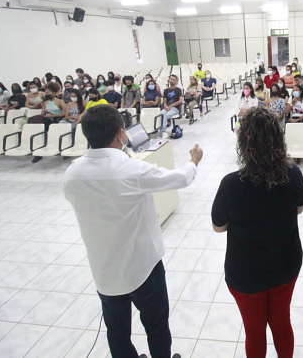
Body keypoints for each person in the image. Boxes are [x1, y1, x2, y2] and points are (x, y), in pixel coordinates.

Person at [64, 104, 201, 358]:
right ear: (121, 134)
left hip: (105, 270)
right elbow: (180, 178)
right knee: (156, 324)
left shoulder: (72, 174)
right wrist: (193, 161)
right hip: (143, 266)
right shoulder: (131, 170)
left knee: (117, 332)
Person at [211, 106, 303, 358]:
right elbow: (299, 209)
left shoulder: (231, 184)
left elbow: (218, 226)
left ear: (244, 144)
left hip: (245, 272)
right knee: (281, 321)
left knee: (254, 330)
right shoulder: (293, 174)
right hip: (285, 264)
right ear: (278, 139)